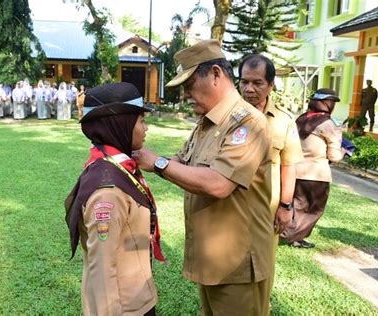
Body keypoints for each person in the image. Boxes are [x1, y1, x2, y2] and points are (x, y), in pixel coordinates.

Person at [133, 39, 273, 315]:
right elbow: (181, 162)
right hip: (212, 259)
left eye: (189, 85)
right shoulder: (206, 123)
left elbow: (219, 184)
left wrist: (157, 162)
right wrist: (135, 159)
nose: (186, 95)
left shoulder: (247, 122)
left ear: (216, 75)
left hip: (238, 265)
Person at [65, 82, 162, 315]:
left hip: (137, 298)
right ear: (121, 124)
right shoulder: (107, 191)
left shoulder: (116, 167)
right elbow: (102, 270)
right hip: (125, 308)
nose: (146, 129)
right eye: (141, 121)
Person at [238, 54, 303, 299]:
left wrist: (285, 206)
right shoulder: (227, 116)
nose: (249, 89)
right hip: (229, 206)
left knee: (263, 268)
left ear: (271, 85)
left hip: (267, 209)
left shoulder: (283, 122)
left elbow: (289, 166)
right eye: (244, 82)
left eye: (257, 83)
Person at [280, 88, 344, 248]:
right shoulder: (329, 124)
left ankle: (293, 237)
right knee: (312, 209)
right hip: (316, 175)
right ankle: (288, 236)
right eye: (332, 102)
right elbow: (334, 156)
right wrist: (344, 151)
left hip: (294, 171)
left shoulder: (301, 118)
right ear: (324, 103)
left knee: (296, 206)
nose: (332, 105)